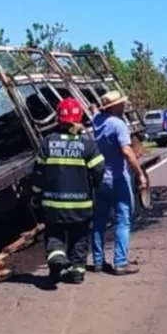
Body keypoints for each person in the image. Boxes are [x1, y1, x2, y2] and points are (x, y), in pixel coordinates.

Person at [31, 97, 105, 284]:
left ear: (58, 119)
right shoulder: (88, 145)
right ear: (79, 119)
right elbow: (99, 170)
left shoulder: (47, 143)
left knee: (54, 235)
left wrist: (35, 193)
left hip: (53, 205)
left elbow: (38, 173)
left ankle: (57, 258)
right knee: (79, 239)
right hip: (81, 205)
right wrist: (94, 186)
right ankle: (77, 271)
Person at [91, 90, 148, 275]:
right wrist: (139, 173)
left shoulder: (97, 121)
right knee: (123, 220)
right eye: (121, 104)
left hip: (100, 178)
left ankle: (98, 260)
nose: (124, 106)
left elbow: (93, 112)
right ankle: (120, 262)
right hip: (117, 178)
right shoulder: (118, 124)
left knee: (99, 221)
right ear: (114, 106)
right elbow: (126, 151)